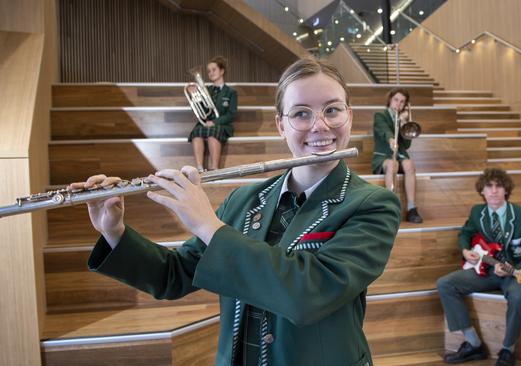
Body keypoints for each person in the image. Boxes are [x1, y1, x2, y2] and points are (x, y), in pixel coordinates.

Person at [70, 58, 401, 366]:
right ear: (280, 126)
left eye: (332, 109)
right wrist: (113, 230)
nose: (320, 125)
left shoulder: (372, 204)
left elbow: (308, 293)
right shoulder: (243, 200)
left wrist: (209, 226)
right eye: (300, 113)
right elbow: (172, 276)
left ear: (349, 116)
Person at [436, 168, 521, 366]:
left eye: (499, 186)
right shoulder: (477, 212)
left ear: (506, 190)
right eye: (489, 186)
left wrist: (515, 269)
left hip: (515, 274)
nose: (494, 191)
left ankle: (507, 351)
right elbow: (465, 234)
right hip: (486, 271)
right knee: (445, 284)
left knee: (519, 295)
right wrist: (464, 250)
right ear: (482, 191)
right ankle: (473, 344)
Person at [371, 88, 422, 223]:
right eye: (396, 100)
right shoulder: (380, 115)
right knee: (392, 164)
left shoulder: (402, 119)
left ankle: (411, 209)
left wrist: (403, 123)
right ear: (390, 100)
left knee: (409, 164)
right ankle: (390, 208)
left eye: (402, 102)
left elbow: (406, 145)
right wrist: (391, 139)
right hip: (383, 156)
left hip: (399, 155)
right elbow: (383, 130)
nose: (398, 104)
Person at [188, 56, 238, 172]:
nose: (211, 73)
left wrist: (214, 122)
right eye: (209, 71)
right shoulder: (206, 90)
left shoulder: (231, 92)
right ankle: (199, 168)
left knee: (213, 132)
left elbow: (231, 114)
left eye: (214, 69)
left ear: (222, 71)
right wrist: (194, 97)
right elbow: (202, 112)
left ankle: (215, 168)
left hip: (222, 125)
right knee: (196, 132)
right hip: (206, 123)